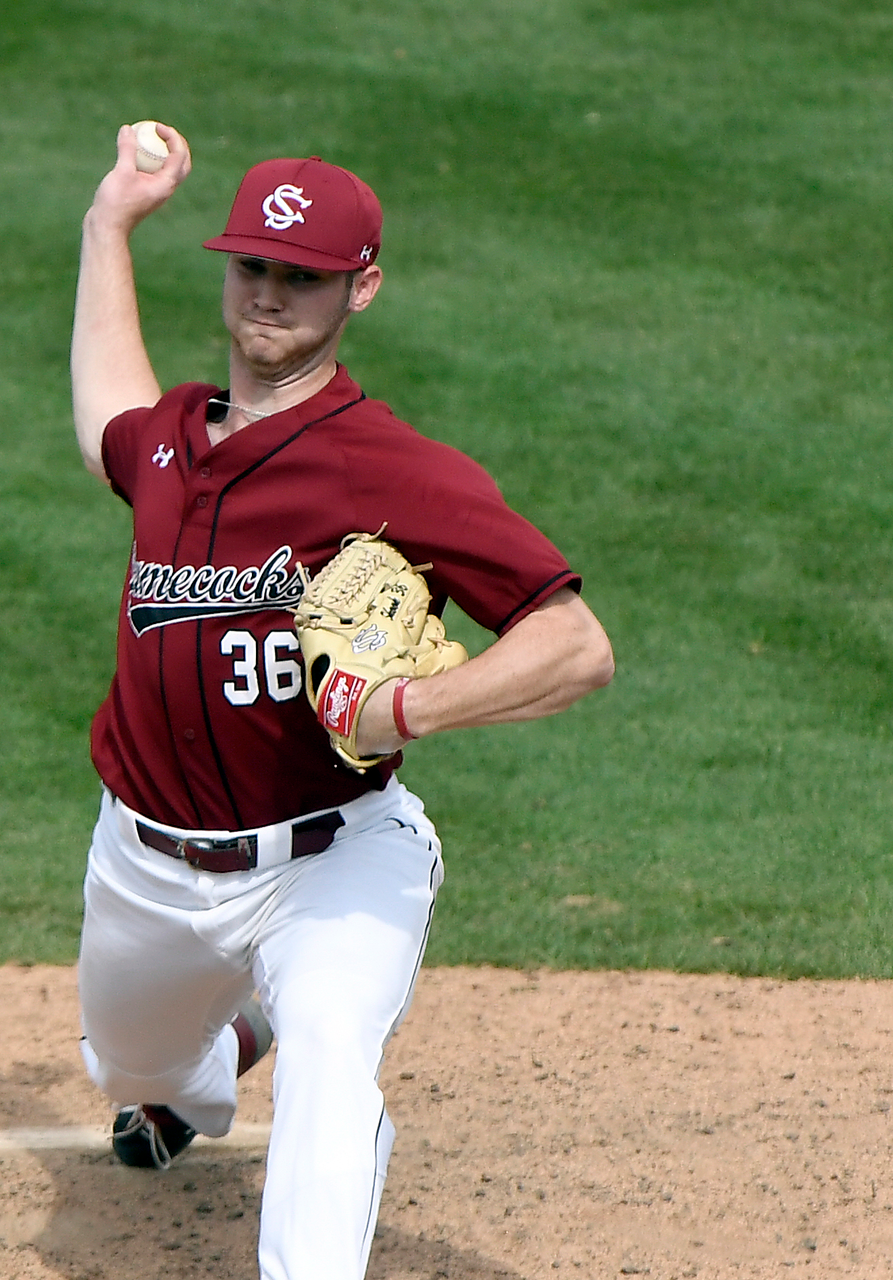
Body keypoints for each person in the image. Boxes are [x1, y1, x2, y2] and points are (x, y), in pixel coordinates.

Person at [69, 122, 614, 1280]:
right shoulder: (170, 444)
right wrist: (109, 221)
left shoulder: (387, 467)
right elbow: (107, 413)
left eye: (303, 276)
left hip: (333, 856)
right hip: (146, 865)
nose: (270, 294)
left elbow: (575, 644)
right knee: (135, 1070)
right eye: (252, 267)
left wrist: (409, 712)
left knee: (330, 1055)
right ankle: (215, 1055)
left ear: (360, 288)